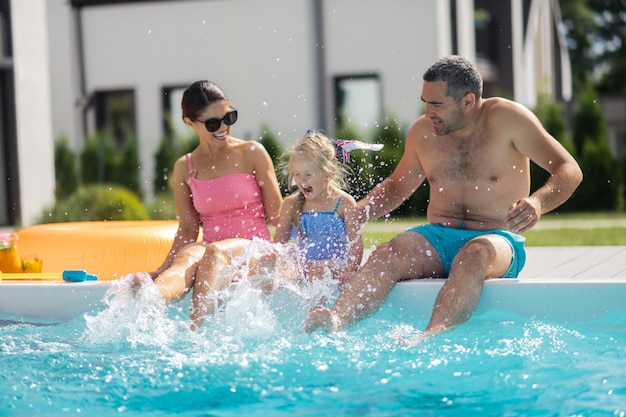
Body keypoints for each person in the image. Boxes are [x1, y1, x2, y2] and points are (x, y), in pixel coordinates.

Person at [304, 55, 583, 340]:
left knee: (474, 254)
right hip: (437, 237)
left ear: (468, 101)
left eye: (436, 104)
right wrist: (360, 212)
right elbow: (398, 186)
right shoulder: (423, 132)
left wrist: (537, 203)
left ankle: (431, 335)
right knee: (388, 252)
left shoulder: (509, 120)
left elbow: (568, 169)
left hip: (497, 240)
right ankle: (335, 319)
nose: (427, 112)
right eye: (425, 102)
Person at [188, 131, 370, 329]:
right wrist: (276, 262)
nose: (302, 181)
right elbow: (279, 245)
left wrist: (349, 271)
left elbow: (355, 244)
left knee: (318, 269)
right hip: (304, 264)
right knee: (284, 263)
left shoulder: (343, 203)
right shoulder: (292, 204)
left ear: (329, 172)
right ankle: (268, 280)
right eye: (297, 174)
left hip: (334, 265)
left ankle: (317, 315)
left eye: (308, 174)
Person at [137, 80, 283, 304]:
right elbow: (187, 229)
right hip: (211, 251)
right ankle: (151, 299)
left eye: (228, 118)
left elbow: (279, 217)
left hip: (252, 248)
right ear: (189, 122)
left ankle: (197, 329)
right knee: (187, 257)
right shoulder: (184, 167)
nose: (223, 128)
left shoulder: (252, 153)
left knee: (214, 254)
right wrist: (161, 270)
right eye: (213, 123)